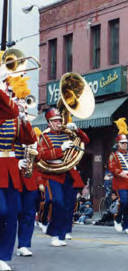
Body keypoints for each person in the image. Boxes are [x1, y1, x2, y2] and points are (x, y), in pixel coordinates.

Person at [37, 107, 90, 247]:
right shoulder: (44, 137)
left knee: (69, 205)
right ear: (49, 123)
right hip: (54, 173)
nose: (58, 123)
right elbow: (41, 155)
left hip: (69, 173)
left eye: (59, 120)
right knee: (57, 202)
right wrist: (61, 149)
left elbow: (85, 140)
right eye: (55, 121)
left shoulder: (68, 133)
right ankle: (54, 234)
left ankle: (62, 234)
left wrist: (77, 130)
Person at [0, 73, 37, 270]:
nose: (13, 97)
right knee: (1, 210)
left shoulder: (15, 118)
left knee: (12, 213)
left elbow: (29, 140)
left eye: (14, 93)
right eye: (10, 92)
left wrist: (23, 120)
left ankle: (3, 256)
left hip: (12, 168)